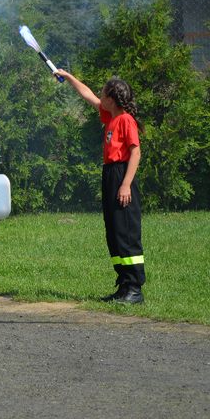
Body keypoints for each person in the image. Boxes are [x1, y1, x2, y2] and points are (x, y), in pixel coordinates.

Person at [56, 69, 145, 304]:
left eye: (104, 94)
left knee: (126, 232)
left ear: (112, 99)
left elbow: (136, 152)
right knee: (114, 232)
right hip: (110, 174)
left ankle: (135, 288)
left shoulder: (125, 119)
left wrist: (125, 185)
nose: (100, 97)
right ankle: (124, 285)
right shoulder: (110, 116)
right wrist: (69, 77)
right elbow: (88, 96)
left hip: (121, 174)